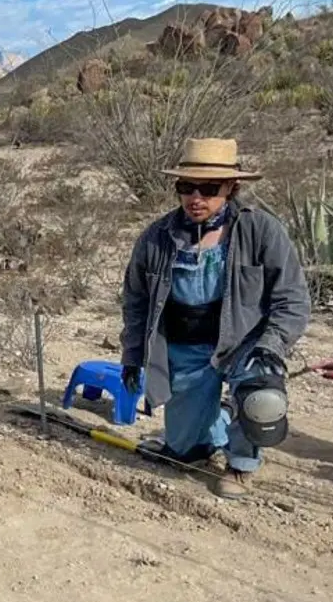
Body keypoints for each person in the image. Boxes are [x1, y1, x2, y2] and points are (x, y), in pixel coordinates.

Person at [119, 138, 310, 499]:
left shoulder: (262, 231)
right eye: (186, 187)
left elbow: (293, 299)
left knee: (260, 397)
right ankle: (212, 427)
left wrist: (271, 346)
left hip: (246, 343)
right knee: (182, 452)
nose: (196, 198)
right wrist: (132, 355)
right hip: (186, 344)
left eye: (209, 189)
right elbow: (136, 301)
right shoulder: (157, 237)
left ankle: (241, 464)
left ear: (231, 189)